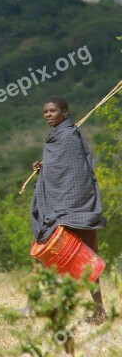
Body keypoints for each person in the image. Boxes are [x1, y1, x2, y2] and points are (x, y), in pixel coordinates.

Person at [28, 95, 107, 323]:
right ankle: (52, 306)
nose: (47, 115)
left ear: (65, 112)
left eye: (52, 111)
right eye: (45, 112)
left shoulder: (70, 136)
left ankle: (98, 310)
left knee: (84, 260)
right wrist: (44, 168)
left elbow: (77, 174)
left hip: (76, 209)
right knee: (50, 256)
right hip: (63, 211)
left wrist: (69, 207)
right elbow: (60, 170)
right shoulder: (55, 138)